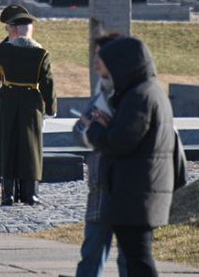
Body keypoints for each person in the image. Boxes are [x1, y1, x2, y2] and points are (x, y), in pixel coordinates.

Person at [85, 36, 185, 277]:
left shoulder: (138, 96)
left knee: (138, 261)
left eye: (107, 63)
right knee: (136, 259)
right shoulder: (149, 90)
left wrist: (95, 130)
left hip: (135, 193)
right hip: (139, 191)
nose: (102, 68)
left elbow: (121, 142)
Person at [0, 6, 55, 206]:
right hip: (31, 103)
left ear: (13, 29)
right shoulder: (41, 53)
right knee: (31, 147)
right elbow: (48, 83)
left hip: (7, 101)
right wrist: (50, 109)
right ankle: (30, 193)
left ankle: (7, 194)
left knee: (7, 146)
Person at [73, 32, 124, 277]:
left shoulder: (134, 95)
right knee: (91, 256)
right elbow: (79, 131)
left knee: (129, 260)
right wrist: (92, 128)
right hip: (100, 188)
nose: (94, 63)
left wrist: (100, 129)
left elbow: (129, 137)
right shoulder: (101, 94)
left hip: (127, 189)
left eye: (99, 58)